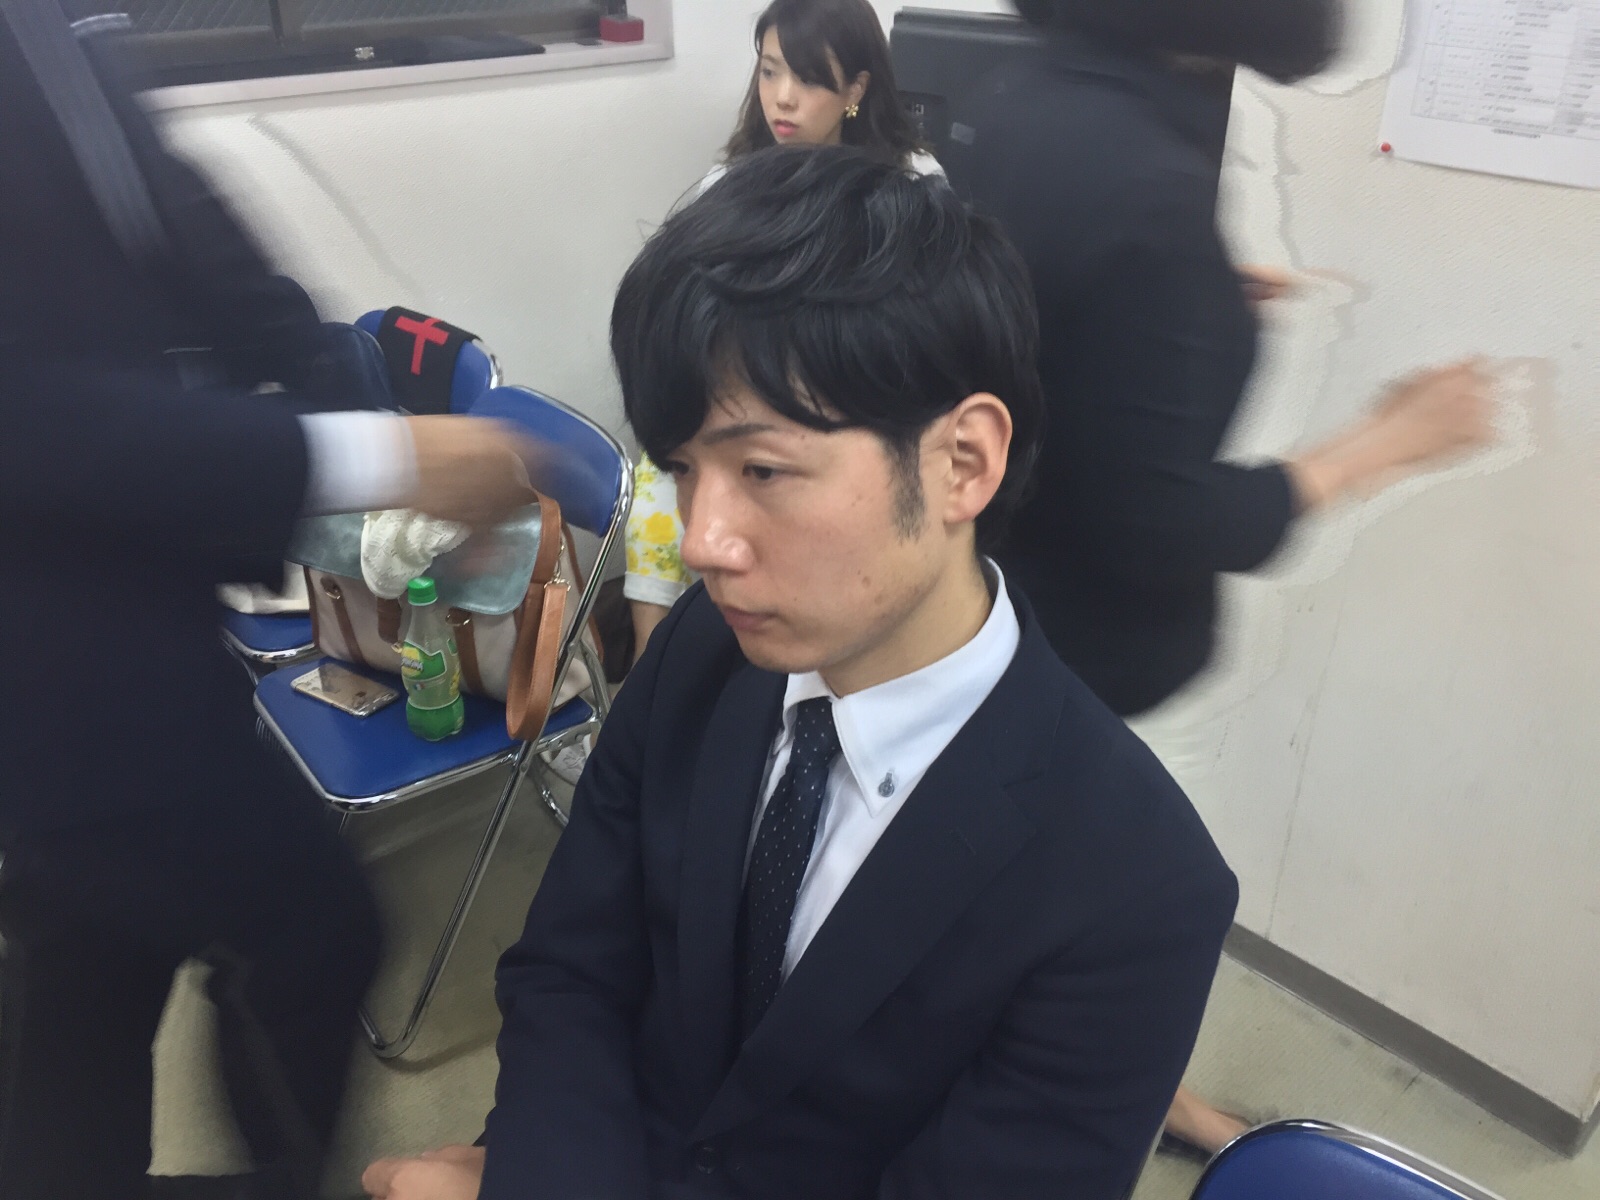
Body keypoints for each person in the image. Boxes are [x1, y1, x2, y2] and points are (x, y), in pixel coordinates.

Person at [363, 145, 1237, 1200]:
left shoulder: (1136, 887)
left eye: (763, 469)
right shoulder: (702, 655)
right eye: (685, 471)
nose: (703, 541)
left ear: (962, 462)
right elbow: (572, 970)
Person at [0, 4, 542, 1197]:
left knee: (87, 984)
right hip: (56, 658)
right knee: (306, 932)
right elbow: (34, 418)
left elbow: (164, 218)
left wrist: (344, 392)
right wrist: (379, 458)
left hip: (136, 619)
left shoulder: (57, 33)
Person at [943, 0, 1494, 1157]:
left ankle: (1129, 1093)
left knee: (1019, 894)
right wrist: (1383, 443)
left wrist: (1186, 309)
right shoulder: (1146, 186)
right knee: (1100, 921)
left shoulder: (1023, 100)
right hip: (1088, 658)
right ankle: (1104, 1105)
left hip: (982, 601)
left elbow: (1042, 336)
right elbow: (1162, 522)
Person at [624, 0, 939, 664]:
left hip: (837, 398)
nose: (783, 97)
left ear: (856, 89)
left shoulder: (911, 185)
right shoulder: (730, 184)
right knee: (657, 478)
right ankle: (656, 673)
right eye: (769, 72)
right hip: (738, 397)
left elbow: (916, 328)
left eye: (809, 78)